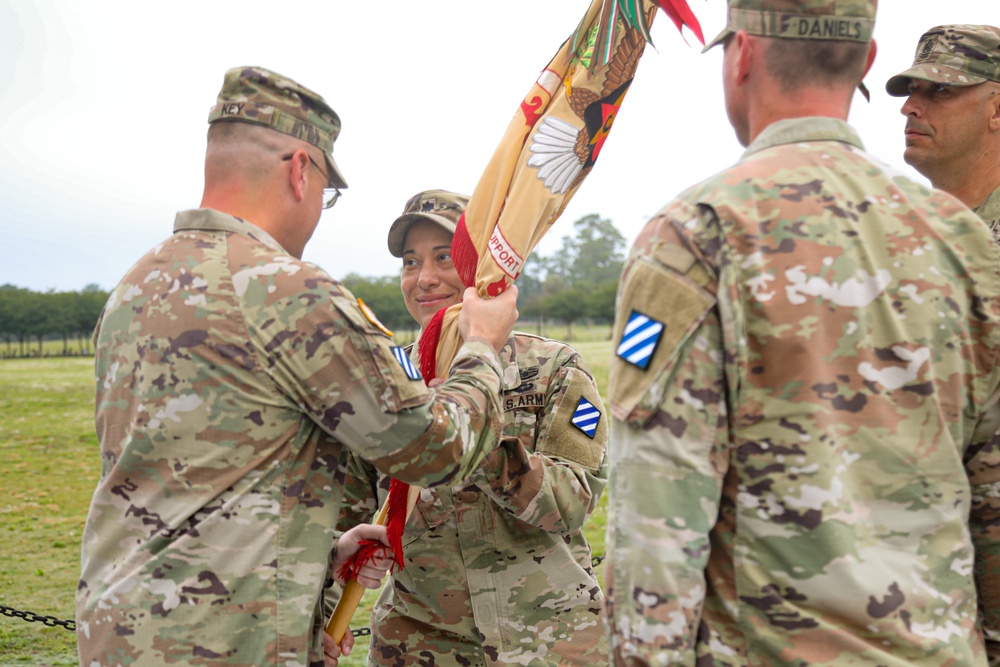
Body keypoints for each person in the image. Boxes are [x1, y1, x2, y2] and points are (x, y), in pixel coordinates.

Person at [76, 68, 519, 667]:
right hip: (230, 642)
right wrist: (483, 347)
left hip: (123, 631)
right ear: (300, 170)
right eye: (325, 194)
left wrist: (317, 557)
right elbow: (436, 451)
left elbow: (196, 478)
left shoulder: (134, 288)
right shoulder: (287, 291)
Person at [603, 1, 1000, 665]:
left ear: (743, 57)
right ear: (867, 63)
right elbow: (991, 494)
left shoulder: (697, 233)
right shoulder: (963, 240)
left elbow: (657, 525)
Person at [329, 189, 610, 666]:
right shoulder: (382, 385)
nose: (425, 278)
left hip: (550, 644)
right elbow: (345, 517)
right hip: (418, 647)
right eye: (410, 262)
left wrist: (468, 436)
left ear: (483, 271)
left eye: (444, 257)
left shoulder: (556, 368)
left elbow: (572, 503)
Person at [885, 24, 1000, 237]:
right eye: (912, 89)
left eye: (939, 89)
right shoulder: (894, 231)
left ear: (996, 111)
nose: (907, 108)